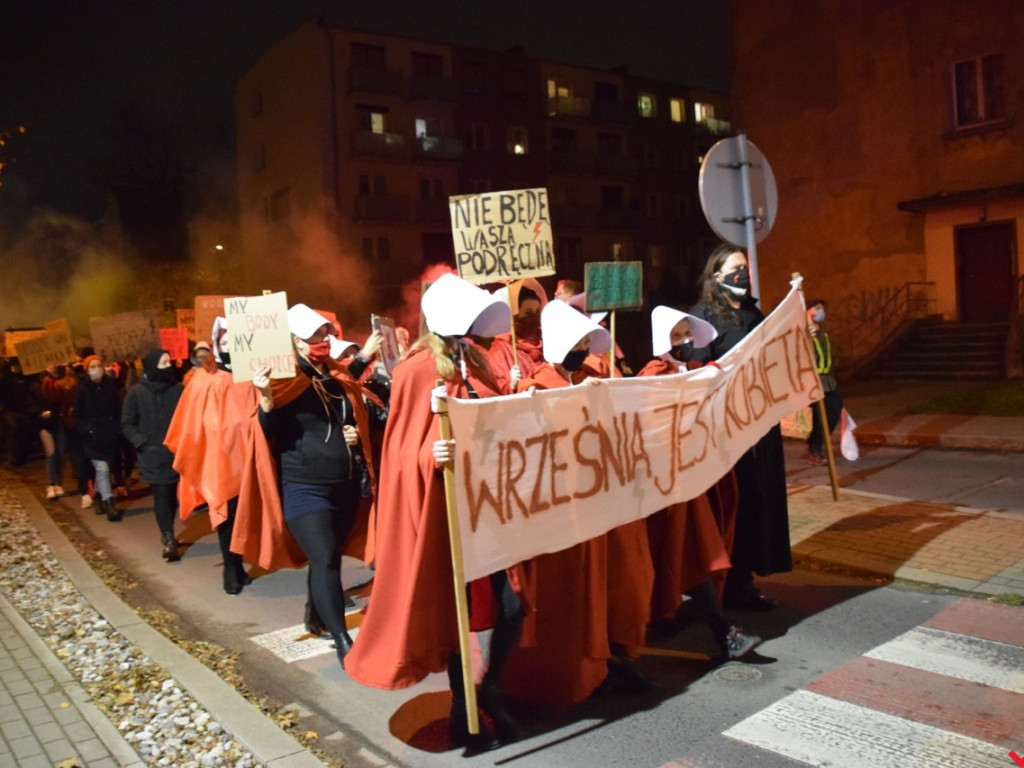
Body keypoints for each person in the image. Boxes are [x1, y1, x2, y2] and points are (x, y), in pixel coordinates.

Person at [344, 273, 527, 751]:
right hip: (447, 510)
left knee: (511, 607)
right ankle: (463, 707)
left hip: (489, 504)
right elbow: (401, 450)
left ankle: (488, 691)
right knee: (458, 616)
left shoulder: (476, 359)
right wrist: (432, 456)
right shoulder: (418, 368)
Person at [509, 298, 650, 700]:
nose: (585, 350)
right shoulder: (533, 383)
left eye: (589, 341)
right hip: (561, 510)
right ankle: (572, 674)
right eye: (579, 341)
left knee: (613, 584)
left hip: (600, 501)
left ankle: (609, 658)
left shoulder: (591, 374)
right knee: (570, 595)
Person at [243, 304, 378, 669]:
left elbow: (351, 400)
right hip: (304, 487)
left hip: (344, 484)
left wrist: (353, 433)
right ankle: (341, 640)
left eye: (325, 334)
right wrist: (265, 398)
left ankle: (312, 614)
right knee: (324, 558)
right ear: (296, 343)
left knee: (327, 558)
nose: (325, 341)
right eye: (316, 336)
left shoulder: (334, 375)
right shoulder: (281, 380)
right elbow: (267, 433)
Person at [637, 306, 760, 659]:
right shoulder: (652, 377)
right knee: (695, 552)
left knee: (683, 553)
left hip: (694, 480)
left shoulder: (692, 372)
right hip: (668, 487)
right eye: (676, 337)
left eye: (687, 335)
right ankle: (723, 631)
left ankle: (670, 617)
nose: (685, 342)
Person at [688, 244, 792, 612]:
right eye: (735, 269)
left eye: (745, 268)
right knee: (732, 504)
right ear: (716, 277)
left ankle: (745, 579)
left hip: (759, 424)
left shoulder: (753, 313)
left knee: (756, 503)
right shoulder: (702, 318)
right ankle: (725, 583)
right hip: (726, 430)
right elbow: (695, 371)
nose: (743, 275)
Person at [165, 319, 256, 594]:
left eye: (233, 343)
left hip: (247, 455)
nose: (228, 347)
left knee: (245, 514)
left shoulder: (250, 374)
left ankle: (238, 564)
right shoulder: (205, 378)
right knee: (226, 513)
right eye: (224, 343)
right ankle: (231, 568)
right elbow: (192, 419)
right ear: (216, 346)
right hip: (220, 457)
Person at [121, 349, 184, 560]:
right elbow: (127, 423)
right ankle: (168, 537)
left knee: (173, 494)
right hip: (152, 454)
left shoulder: (178, 389)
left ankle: (169, 531)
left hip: (175, 452)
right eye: (163, 363)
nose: (168, 366)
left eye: (169, 362)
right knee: (161, 494)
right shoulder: (137, 392)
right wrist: (143, 443)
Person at [73, 355, 122, 521]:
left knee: (104, 469)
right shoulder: (82, 389)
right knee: (102, 469)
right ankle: (109, 502)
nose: (96, 370)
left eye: (98, 366)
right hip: (92, 438)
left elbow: (117, 409)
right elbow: (77, 415)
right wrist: (87, 429)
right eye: (92, 367)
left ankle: (99, 497)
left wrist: (117, 428)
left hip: (108, 435)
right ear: (87, 370)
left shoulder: (110, 387)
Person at [804, 299, 842, 466]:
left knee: (835, 408)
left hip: (827, 382)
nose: (821, 311)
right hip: (812, 382)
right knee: (820, 416)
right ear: (808, 311)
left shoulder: (823, 333)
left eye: (822, 308)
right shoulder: (803, 332)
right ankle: (815, 447)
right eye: (817, 308)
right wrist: (805, 336)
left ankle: (816, 443)